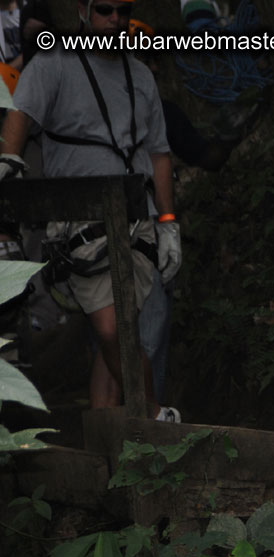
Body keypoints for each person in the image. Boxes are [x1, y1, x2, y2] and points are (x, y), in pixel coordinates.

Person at [0, 0, 181, 421]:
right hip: (81, 222)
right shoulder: (54, 64)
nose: (115, 19)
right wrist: (8, 164)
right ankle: (155, 415)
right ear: (83, 10)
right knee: (113, 327)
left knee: (120, 329)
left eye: (123, 10)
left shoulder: (139, 74)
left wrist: (168, 223)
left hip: (138, 220)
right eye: (104, 10)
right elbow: (20, 116)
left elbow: (159, 153)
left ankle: (107, 430)